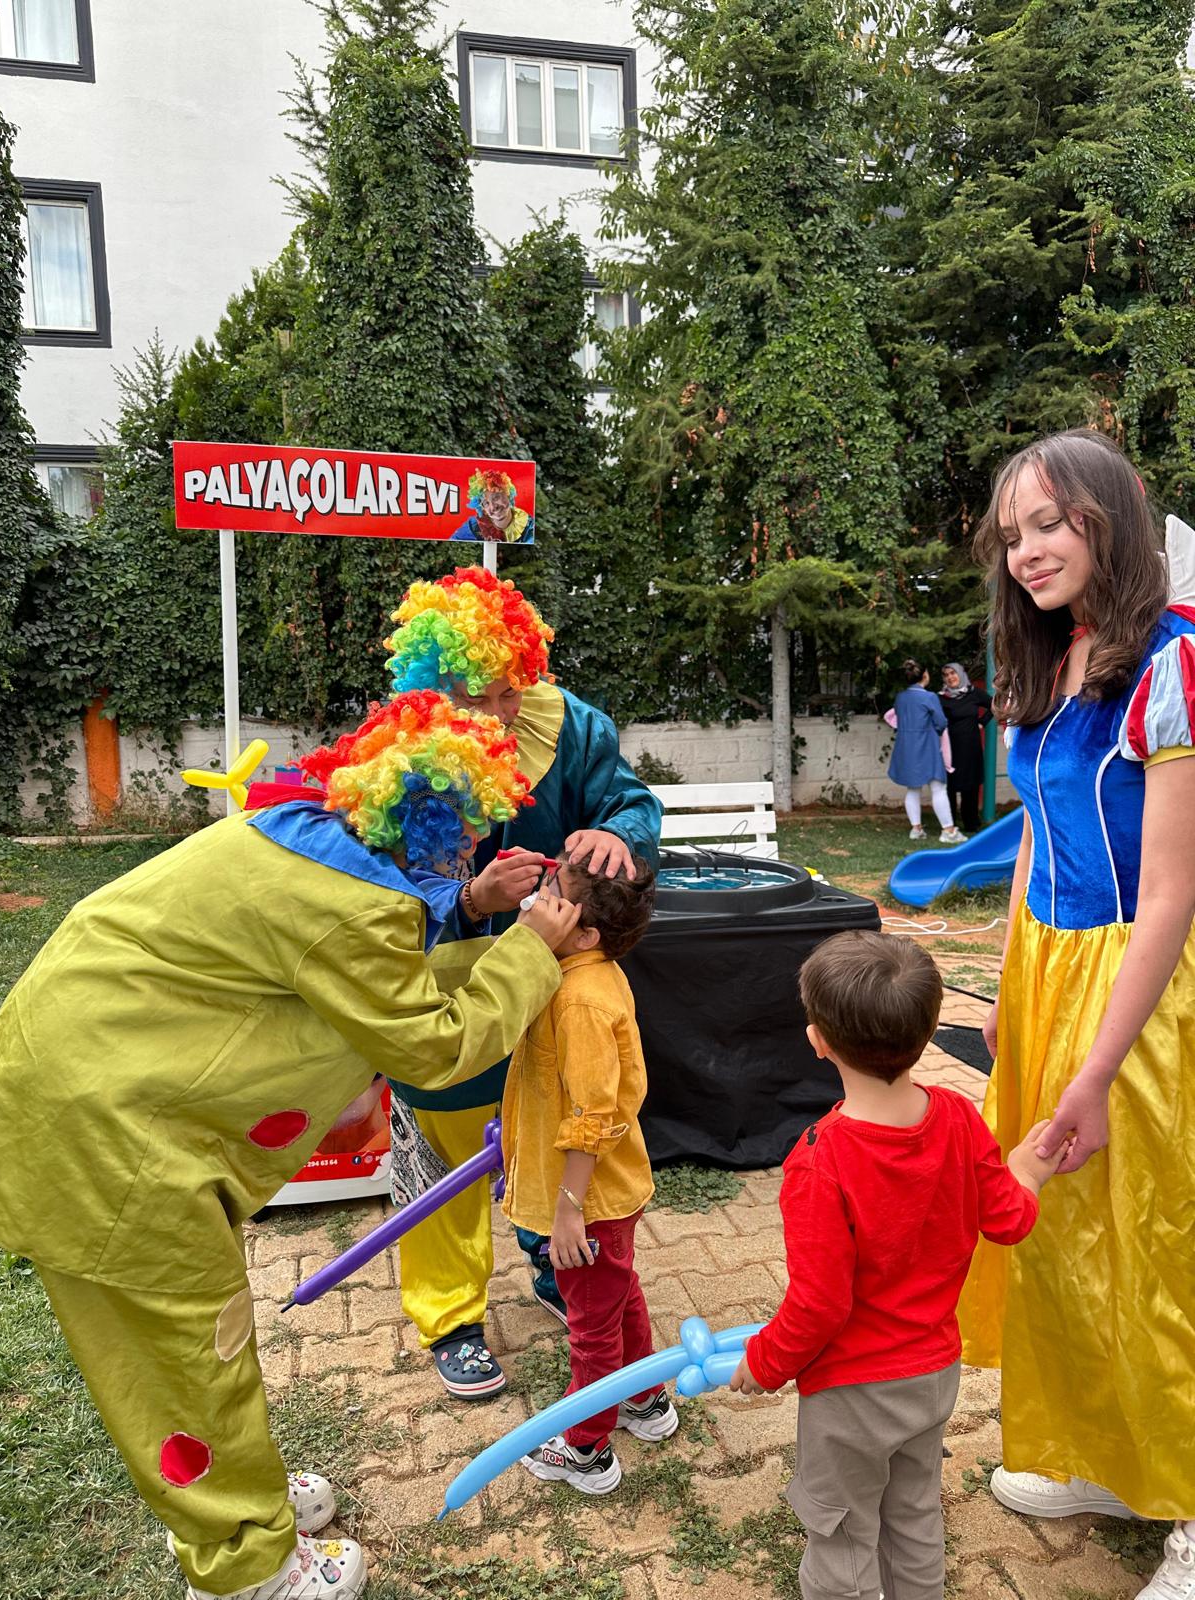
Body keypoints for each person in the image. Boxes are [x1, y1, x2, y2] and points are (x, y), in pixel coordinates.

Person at [0, 690, 579, 1600]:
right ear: (422, 818)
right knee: (186, 1361)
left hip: (97, 1081)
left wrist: (469, 905)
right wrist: (532, 950)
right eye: (466, 830)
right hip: (109, 1140)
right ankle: (247, 1568)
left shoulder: (307, 833)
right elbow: (429, 1039)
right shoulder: (350, 907)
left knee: (205, 1347)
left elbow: (380, 975)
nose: (474, 845)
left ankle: (249, 1496)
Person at [958, 428, 1195, 1600]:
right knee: (1058, 1228)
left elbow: (1170, 891)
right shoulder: (1053, 654)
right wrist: (1007, 988)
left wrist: (1098, 1069)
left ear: (1109, 517)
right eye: (1012, 534)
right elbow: (1029, 849)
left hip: (1141, 983)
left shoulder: (1175, 663)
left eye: (1049, 522)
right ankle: (1108, 1455)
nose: (1028, 551)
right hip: (1048, 973)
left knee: (1159, 1237)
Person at [380, 567, 664, 1393]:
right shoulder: (397, 758)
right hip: (450, 991)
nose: (505, 713)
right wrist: (469, 896)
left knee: (548, 1120)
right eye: (483, 697)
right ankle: (450, 1316)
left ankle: (554, 1257)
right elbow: (378, 891)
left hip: (550, 992)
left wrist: (618, 833)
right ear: (437, 690)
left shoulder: (570, 726)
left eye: (515, 690)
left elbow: (633, 801)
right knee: (444, 1152)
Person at [729, 931, 1064, 1600]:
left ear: (818, 1039)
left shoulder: (820, 1164)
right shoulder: (960, 1119)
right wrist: (1027, 1167)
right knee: (912, 1514)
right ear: (931, 1029)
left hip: (853, 1394)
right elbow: (1009, 1219)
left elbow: (819, 1305)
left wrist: (764, 1363)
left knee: (845, 1531)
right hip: (931, 1377)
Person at [502, 849, 679, 1495]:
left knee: (591, 1326)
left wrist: (568, 1206)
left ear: (585, 931)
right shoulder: (586, 971)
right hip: (605, 1190)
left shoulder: (578, 999)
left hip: (589, 1197)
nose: (537, 902)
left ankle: (585, 1449)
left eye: (553, 894)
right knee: (618, 1292)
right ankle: (646, 1401)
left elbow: (594, 1111)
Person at [887, 660, 966, 843]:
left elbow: (898, 719)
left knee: (913, 788)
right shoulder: (929, 697)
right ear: (925, 676)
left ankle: (916, 829)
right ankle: (949, 831)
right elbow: (941, 722)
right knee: (938, 787)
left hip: (906, 747)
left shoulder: (901, 697)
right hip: (926, 745)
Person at [938, 662, 992, 834]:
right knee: (950, 786)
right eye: (946, 675)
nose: (950, 677)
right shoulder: (941, 697)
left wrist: (982, 723)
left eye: (953, 673)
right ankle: (950, 822)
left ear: (960, 674)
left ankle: (971, 823)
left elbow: (994, 705)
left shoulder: (974, 693)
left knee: (971, 784)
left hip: (971, 747)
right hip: (950, 748)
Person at [449, 468, 535, 543]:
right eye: (486, 503)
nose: (493, 507)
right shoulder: (474, 526)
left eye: (496, 497)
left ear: (508, 495)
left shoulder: (529, 525)